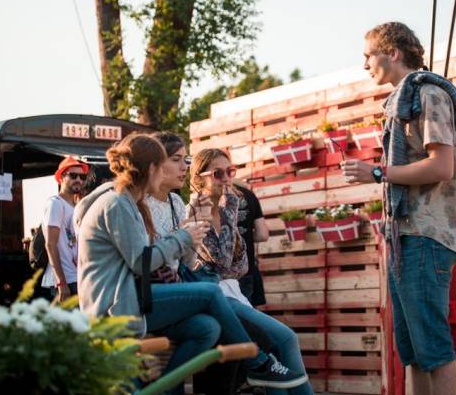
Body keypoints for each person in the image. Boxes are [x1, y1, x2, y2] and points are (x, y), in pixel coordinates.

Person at [75, 133, 305, 393]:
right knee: (211, 293)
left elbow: (176, 261)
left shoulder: (137, 202)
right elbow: (141, 261)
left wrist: (190, 237)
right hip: (114, 306)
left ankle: (165, 388)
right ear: (152, 168)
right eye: (169, 162)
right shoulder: (116, 203)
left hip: (136, 297)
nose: (175, 169)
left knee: (207, 328)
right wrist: (182, 237)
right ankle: (258, 363)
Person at [341, 22, 456, 395]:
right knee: (412, 352)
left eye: (369, 55)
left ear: (393, 53)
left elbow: (443, 166)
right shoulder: (403, 99)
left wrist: (378, 171)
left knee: (432, 346)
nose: (364, 64)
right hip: (405, 235)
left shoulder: (428, 93)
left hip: (426, 234)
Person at [189, 148, 313, 395]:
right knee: (285, 339)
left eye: (230, 171)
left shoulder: (224, 208)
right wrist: (231, 211)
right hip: (214, 296)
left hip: (232, 291)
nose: (227, 178)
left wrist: (228, 216)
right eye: (218, 173)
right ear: (199, 178)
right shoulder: (194, 212)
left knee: (278, 347)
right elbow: (225, 261)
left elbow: (240, 266)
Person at [41, 156, 90, 301]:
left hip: (76, 277)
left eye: (82, 177)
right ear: (61, 177)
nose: (79, 180)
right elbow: (50, 244)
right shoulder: (55, 204)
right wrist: (61, 281)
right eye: (73, 175)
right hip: (64, 280)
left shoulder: (76, 207)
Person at [233, 178, 269, 307]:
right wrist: (244, 236)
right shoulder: (248, 195)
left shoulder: (206, 197)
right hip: (245, 267)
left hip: (218, 272)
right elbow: (263, 234)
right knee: (247, 319)